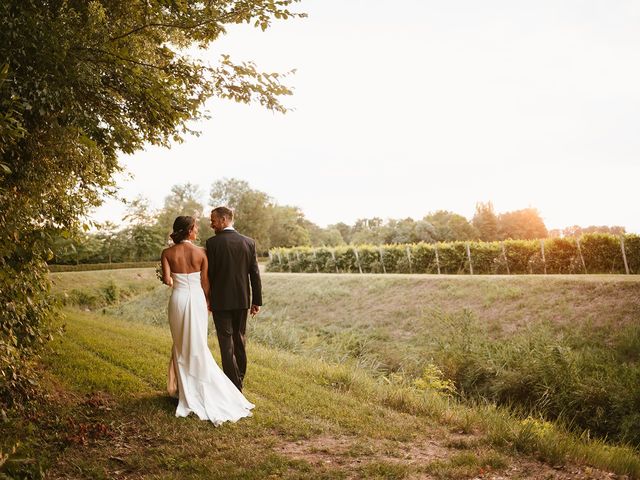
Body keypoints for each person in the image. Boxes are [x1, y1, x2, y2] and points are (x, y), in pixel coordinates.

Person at [161, 215, 254, 425]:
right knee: (198, 344)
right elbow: (206, 284)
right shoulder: (202, 252)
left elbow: (168, 280)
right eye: (195, 228)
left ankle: (184, 390)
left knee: (180, 344)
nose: (198, 231)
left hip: (178, 299)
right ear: (189, 230)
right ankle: (200, 386)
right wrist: (209, 302)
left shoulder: (167, 253)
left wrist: (173, 279)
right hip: (197, 301)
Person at [206, 206, 262, 392]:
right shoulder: (248, 242)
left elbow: (210, 275)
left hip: (220, 301)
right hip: (242, 300)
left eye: (213, 220)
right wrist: (256, 301)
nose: (211, 224)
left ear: (223, 220)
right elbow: (255, 274)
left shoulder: (212, 244)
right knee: (239, 339)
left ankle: (234, 385)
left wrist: (208, 299)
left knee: (226, 342)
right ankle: (239, 379)